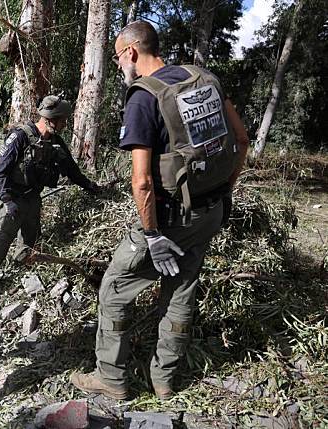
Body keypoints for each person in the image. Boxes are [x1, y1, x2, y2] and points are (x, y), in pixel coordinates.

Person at [70, 21, 249, 400]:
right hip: (212, 210)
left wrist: (152, 235)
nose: (121, 66)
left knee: (114, 288)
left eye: (119, 59)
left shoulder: (144, 97)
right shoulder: (204, 78)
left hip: (171, 218)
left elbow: (143, 182)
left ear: (131, 53)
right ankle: (164, 380)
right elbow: (241, 138)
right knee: (182, 287)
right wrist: (225, 189)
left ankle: (111, 379)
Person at [0, 96, 101, 309]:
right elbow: (0, 172)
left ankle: (21, 270)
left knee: (30, 241)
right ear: (52, 119)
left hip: (33, 197)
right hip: (12, 197)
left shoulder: (55, 142)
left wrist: (90, 186)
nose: (65, 124)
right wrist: (6, 200)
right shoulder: (20, 137)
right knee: (2, 237)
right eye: (63, 120)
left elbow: (71, 170)